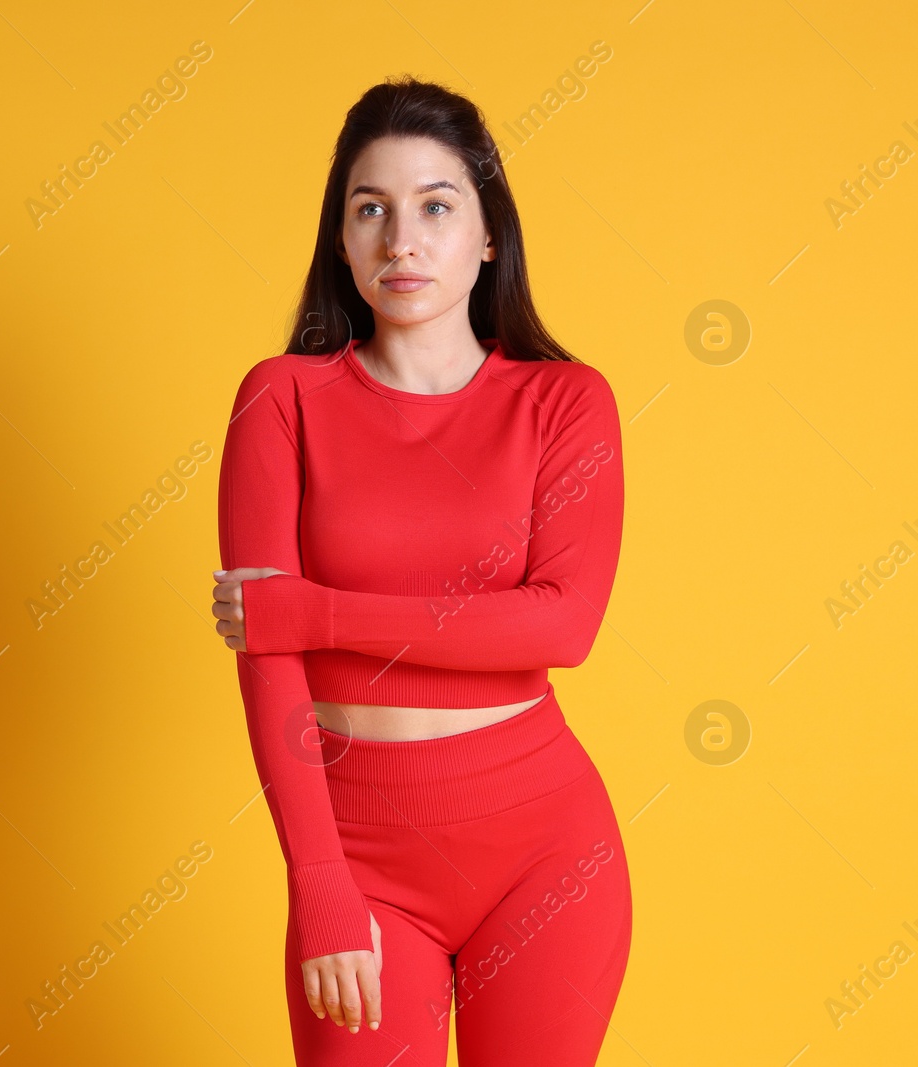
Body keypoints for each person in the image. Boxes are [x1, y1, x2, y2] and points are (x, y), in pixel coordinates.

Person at [211, 76, 631, 1067]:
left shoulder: (565, 402)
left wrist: (309, 609)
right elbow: (265, 663)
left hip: (545, 850)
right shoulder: (281, 399)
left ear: (488, 237)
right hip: (359, 854)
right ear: (343, 240)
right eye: (371, 210)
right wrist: (316, 881)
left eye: (436, 207)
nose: (402, 238)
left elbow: (558, 628)